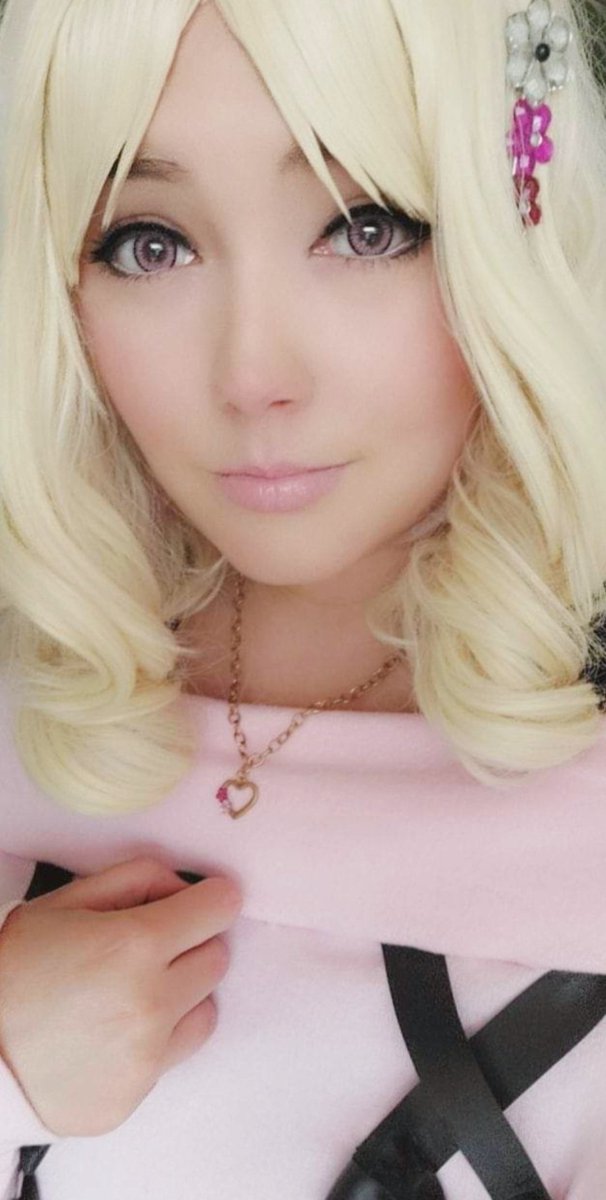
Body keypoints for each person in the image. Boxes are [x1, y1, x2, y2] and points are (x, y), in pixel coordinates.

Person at [0, 0, 605, 1195]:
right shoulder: (38, 697)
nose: (253, 375)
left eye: (366, 227)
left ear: (523, 223)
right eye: (149, 244)